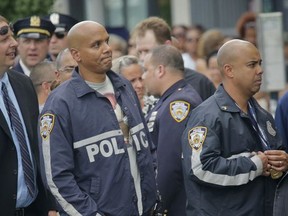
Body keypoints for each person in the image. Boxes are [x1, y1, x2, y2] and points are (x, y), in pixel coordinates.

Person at [38, 20, 157, 216]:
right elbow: (57, 179)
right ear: (76, 55)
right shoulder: (60, 104)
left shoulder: (125, 87)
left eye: (106, 41)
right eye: (96, 45)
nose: (107, 49)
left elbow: (147, 148)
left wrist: (153, 195)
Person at [181, 39, 288, 216]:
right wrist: (254, 165)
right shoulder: (207, 116)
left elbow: (272, 155)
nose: (260, 70)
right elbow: (200, 168)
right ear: (229, 70)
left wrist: (282, 160)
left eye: (260, 63)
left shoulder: (262, 115)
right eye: (252, 65)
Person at [0, 15, 57, 216]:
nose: (14, 43)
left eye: (12, 37)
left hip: (34, 210)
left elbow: (35, 148)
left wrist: (49, 204)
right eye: (4, 40)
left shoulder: (23, 84)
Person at [143, 45, 202, 215]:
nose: (144, 77)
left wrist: (159, 204)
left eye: (146, 70)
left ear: (160, 70)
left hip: (177, 205)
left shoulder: (178, 104)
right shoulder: (169, 99)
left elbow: (170, 162)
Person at [133, 16, 215, 101]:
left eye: (147, 51)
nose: (142, 58)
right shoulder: (139, 84)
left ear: (167, 46)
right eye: (140, 52)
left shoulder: (198, 83)